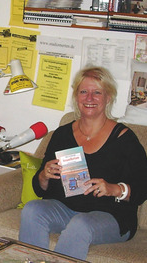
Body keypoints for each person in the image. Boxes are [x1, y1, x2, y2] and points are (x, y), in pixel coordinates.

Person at [19, 66, 147, 260]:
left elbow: (142, 188)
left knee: (80, 224)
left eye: (97, 92)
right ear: (76, 96)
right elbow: (41, 189)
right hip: (65, 209)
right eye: (84, 92)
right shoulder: (62, 134)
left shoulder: (124, 138)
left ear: (108, 98)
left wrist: (114, 189)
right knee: (32, 210)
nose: (89, 98)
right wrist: (44, 175)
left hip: (111, 215)